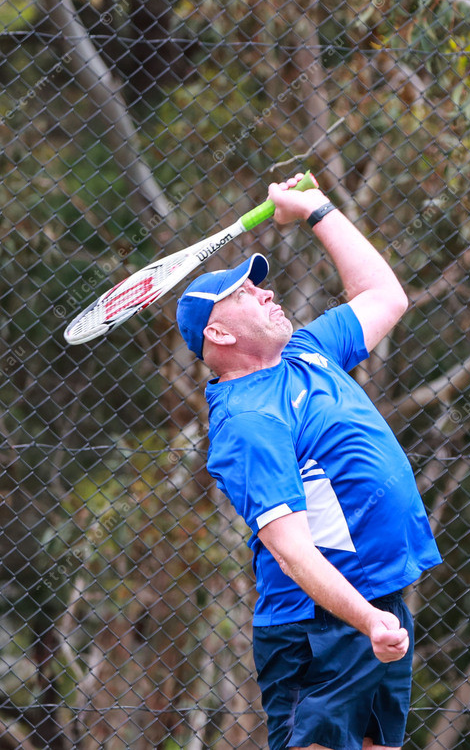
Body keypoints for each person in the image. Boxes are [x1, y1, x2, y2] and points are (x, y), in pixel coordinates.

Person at [176, 174, 442, 750]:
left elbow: (385, 296)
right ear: (218, 331)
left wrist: (316, 209)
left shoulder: (306, 351)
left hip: (377, 598)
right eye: (246, 293)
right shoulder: (248, 421)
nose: (267, 294)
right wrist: (365, 620)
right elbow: (291, 551)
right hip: (316, 623)